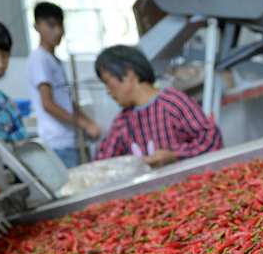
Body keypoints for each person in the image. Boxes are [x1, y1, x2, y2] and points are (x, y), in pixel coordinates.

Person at [94, 45, 222, 168]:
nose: (108, 91)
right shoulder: (122, 121)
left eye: (107, 82)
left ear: (129, 74)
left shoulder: (172, 102)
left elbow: (212, 139)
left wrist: (174, 155)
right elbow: (103, 163)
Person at [28, 1, 101, 169]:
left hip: (69, 140)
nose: (58, 31)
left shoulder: (55, 61)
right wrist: (84, 124)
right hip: (57, 143)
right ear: (37, 26)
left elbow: (67, 101)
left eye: (60, 26)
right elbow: (48, 104)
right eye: (51, 26)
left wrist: (89, 122)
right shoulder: (39, 59)